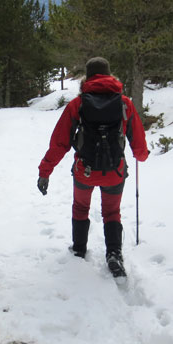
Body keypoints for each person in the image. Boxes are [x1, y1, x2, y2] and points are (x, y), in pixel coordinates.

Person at [37, 57, 149, 278]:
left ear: (87, 78)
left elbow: (59, 143)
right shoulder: (125, 103)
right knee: (111, 212)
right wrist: (141, 155)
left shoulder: (78, 105)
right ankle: (114, 253)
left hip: (84, 172)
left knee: (80, 208)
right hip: (115, 172)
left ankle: (79, 248)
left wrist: (45, 171)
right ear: (110, 75)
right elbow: (139, 145)